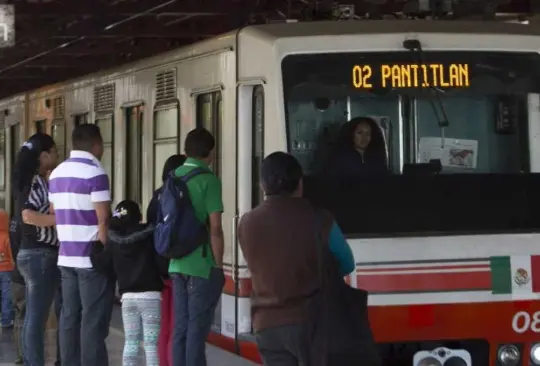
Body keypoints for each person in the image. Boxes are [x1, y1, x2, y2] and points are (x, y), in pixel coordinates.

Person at [238, 151, 355, 366]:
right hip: (312, 324)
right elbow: (347, 263)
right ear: (300, 183)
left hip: (266, 325)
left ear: (263, 185)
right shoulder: (321, 219)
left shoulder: (246, 223)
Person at [48, 123, 113, 366]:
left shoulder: (56, 173)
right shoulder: (96, 172)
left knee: (68, 317)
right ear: (96, 144)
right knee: (92, 320)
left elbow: (55, 211)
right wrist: (103, 249)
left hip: (66, 256)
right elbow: (103, 217)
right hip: (90, 258)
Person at [169, 128, 225, 366]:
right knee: (196, 329)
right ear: (210, 153)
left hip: (176, 262)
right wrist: (219, 264)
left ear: (186, 151)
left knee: (180, 326)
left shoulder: (173, 176)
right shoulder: (209, 180)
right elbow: (215, 228)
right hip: (200, 265)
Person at [12, 133, 59, 366]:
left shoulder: (29, 179)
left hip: (30, 254)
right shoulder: (35, 182)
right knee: (36, 318)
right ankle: (34, 362)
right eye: (55, 151)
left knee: (32, 316)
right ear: (44, 155)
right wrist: (59, 219)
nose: (57, 155)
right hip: (40, 254)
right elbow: (28, 215)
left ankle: (30, 360)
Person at [104, 200, 163, 366]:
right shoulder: (150, 235)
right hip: (151, 297)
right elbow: (160, 262)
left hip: (128, 298)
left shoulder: (113, 240)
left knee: (131, 342)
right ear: (138, 216)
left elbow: (105, 264)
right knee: (151, 346)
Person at [146, 153, 186, 366]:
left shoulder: (156, 198)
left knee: (163, 327)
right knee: (177, 325)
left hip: (157, 269)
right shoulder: (179, 197)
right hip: (176, 267)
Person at [9, 214, 25, 365]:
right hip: (27, 275)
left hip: (16, 273)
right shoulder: (29, 218)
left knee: (20, 317)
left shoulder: (13, 220)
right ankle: (27, 355)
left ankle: (21, 355)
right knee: (29, 317)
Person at [0, 209, 14, 329]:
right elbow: (11, 254)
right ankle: (6, 320)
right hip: (6, 270)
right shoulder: (6, 237)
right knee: (6, 295)